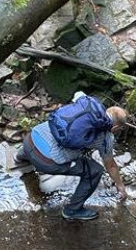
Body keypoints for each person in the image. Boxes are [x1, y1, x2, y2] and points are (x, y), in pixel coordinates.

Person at [18, 93, 128, 221]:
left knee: (47, 136)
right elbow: (111, 165)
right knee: (95, 170)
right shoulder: (107, 137)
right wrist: (121, 187)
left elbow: (78, 95)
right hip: (45, 161)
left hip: (29, 140)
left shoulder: (85, 105)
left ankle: (21, 161)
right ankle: (72, 210)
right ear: (115, 127)